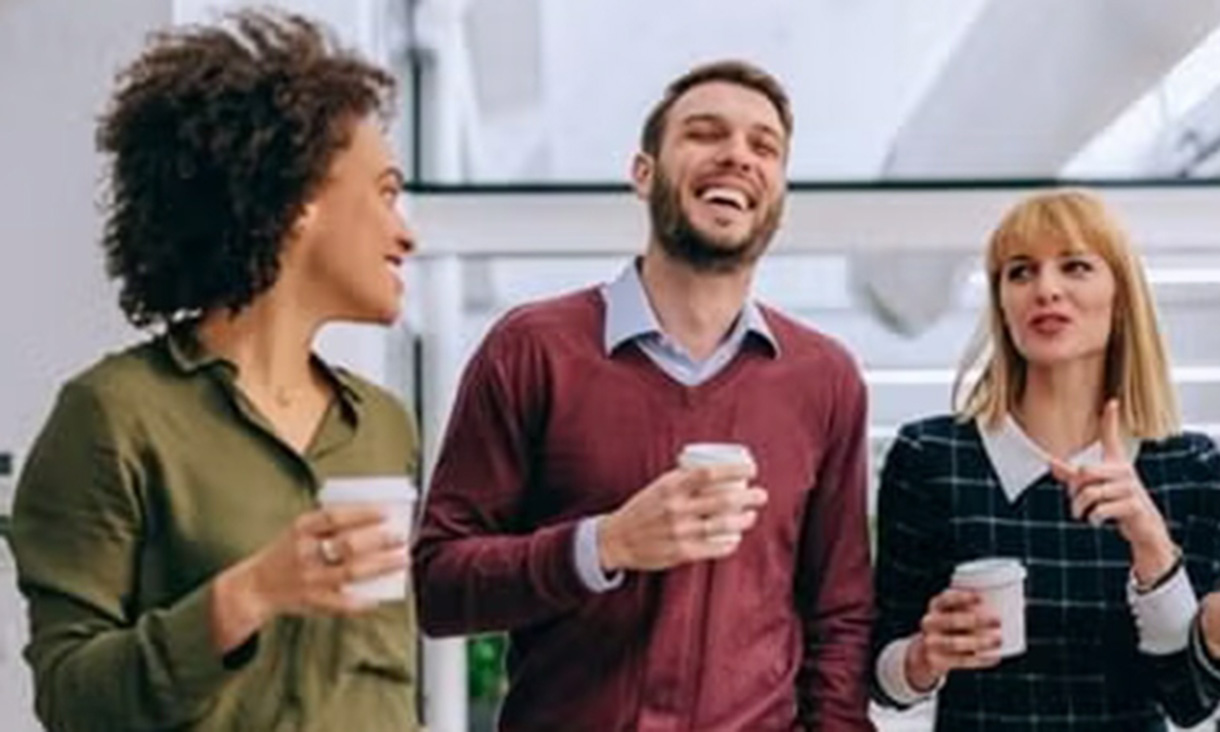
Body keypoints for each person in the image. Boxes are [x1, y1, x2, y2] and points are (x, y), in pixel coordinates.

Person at [413, 60, 875, 731]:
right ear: (643, 173)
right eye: (704, 133)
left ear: (778, 194)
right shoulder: (532, 349)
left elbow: (840, 615)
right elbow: (439, 586)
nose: (737, 157)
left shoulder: (823, 379)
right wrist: (604, 545)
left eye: (763, 146)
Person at [10, 10, 420, 731]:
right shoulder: (113, 417)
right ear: (300, 201)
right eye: (384, 192)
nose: (406, 231)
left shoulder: (383, 427)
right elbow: (71, 700)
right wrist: (248, 595)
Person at [871, 189, 1220, 730]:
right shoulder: (930, 458)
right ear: (1003, 303)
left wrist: (1150, 541)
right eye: (1021, 272)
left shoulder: (1190, 467)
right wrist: (923, 657)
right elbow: (878, 678)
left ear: (1122, 297)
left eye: (1076, 266)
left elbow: (1190, 700)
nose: (1046, 289)